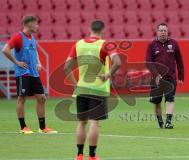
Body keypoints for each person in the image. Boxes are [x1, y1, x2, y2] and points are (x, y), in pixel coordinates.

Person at [64, 20, 121, 160]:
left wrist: (74, 84)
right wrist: (107, 75)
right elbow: (118, 62)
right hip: (98, 89)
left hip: (82, 88)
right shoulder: (106, 44)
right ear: (103, 30)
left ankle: (78, 155)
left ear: (90, 29)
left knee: (81, 122)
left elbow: (66, 67)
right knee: (94, 122)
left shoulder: (78, 44)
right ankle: (92, 156)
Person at [1, 15, 57, 134]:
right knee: (22, 98)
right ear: (29, 24)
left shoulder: (32, 37)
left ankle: (42, 128)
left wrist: (38, 62)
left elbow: (35, 50)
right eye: (36, 24)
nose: (38, 26)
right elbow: (5, 49)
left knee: (42, 98)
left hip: (34, 73)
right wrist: (16, 62)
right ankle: (23, 127)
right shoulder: (18, 37)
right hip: (23, 73)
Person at [146, 23, 185, 129]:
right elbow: (149, 62)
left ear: (167, 32)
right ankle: (160, 123)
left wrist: (181, 77)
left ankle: (168, 122)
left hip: (170, 78)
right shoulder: (151, 45)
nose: (163, 32)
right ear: (157, 32)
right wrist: (156, 75)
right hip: (156, 80)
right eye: (161, 30)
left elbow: (180, 61)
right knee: (157, 102)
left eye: (165, 30)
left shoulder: (174, 44)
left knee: (170, 100)